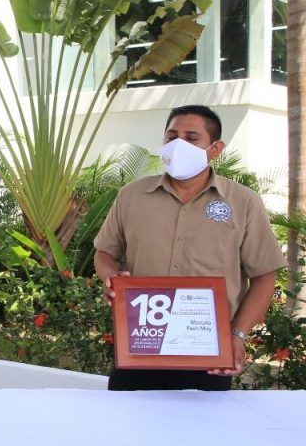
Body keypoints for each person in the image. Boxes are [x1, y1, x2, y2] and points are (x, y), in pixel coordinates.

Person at [93, 104, 285, 391]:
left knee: (203, 421)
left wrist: (237, 336)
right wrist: (111, 276)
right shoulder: (132, 196)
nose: (178, 144)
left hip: (208, 351)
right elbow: (105, 252)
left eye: (191, 138)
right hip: (140, 344)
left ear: (215, 149)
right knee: (126, 419)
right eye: (172, 137)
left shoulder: (243, 203)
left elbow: (264, 277)